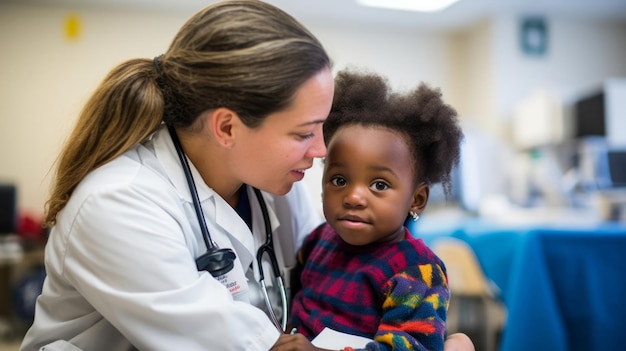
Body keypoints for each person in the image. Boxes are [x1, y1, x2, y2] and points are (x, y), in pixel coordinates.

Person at [20, 1, 474, 350]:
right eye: (303, 133)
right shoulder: (117, 204)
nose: (319, 153)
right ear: (227, 127)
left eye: (322, 128)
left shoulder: (277, 186)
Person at [276, 69, 464, 351]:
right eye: (339, 180)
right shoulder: (318, 241)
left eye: (379, 184)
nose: (353, 197)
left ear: (417, 199)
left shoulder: (416, 272)